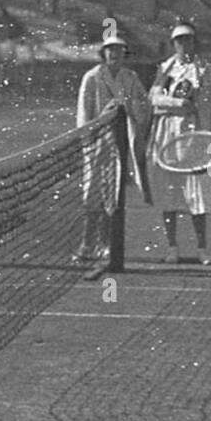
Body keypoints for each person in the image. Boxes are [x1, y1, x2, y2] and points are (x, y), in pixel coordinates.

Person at [76, 25, 152, 259]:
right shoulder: (92, 77)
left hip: (120, 142)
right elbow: (83, 111)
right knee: (92, 193)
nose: (114, 54)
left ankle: (106, 244)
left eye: (119, 50)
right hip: (97, 141)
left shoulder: (130, 77)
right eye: (110, 50)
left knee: (113, 193)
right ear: (103, 53)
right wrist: (87, 137)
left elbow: (144, 104)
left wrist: (130, 110)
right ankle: (87, 245)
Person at [148, 22, 211, 265]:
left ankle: (202, 249)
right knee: (168, 195)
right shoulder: (165, 69)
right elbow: (154, 98)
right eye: (179, 40)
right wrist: (177, 104)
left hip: (195, 137)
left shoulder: (207, 70)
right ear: (173, 44)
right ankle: (172, 248)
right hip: (167, 136)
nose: (183, 44)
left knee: (197, 195)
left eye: (188, 39)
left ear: (194, 41)